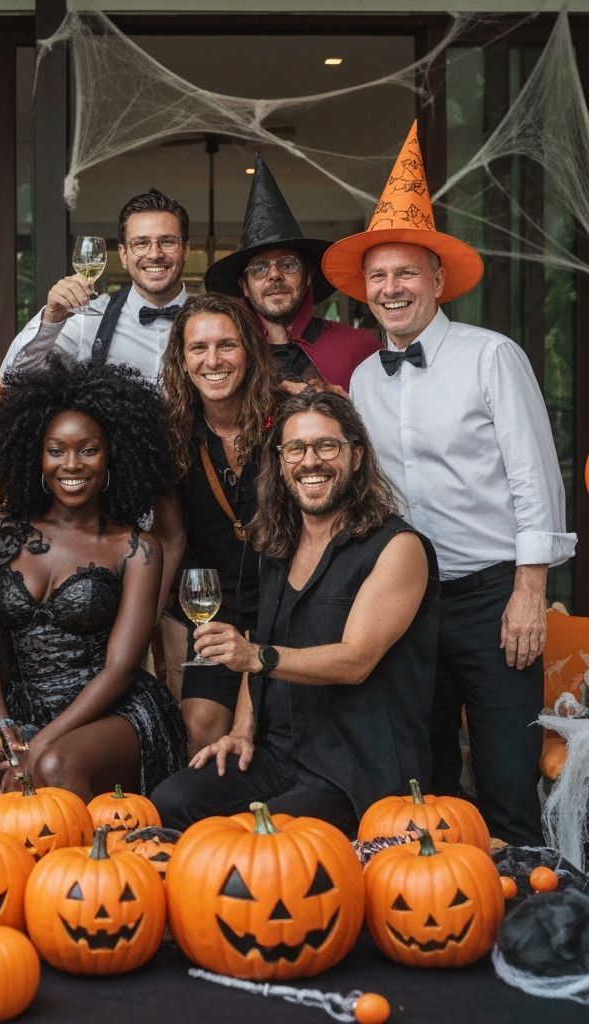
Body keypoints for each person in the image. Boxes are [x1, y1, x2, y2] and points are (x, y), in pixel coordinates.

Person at [323, 122, 576, 845]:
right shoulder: (365, 378)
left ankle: (531, 923)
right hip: (406, 602)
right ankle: (435, 904)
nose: (392, 288)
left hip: (493, 595)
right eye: (379, 276)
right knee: (420, 775)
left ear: (437, 280)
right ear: (364, 290)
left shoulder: (491, 357)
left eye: (406, 273)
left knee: (505, 775)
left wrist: (530, 591)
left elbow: (536, 478)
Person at [152, 389, 438, 835]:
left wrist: (257, 657)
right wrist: (243, 729)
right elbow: (256, 637)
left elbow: (356, 659)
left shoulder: (398, 547)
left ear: (356, 456)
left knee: (265, 842)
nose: (311, 461)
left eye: (327, 446)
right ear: (281, 461)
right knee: (171, 802)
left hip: (354, 769)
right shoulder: (278, 545)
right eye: (296, 449)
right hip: (278, 753)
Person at [0, 357, 185, 806]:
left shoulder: (136, 548)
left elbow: (121, 668)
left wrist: (41, 744)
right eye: (56, 449)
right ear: (35, 454)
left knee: (52, 767)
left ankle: (87, 875)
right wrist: (4, 729)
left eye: (89, 449)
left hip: (113, 713)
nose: (72, 464)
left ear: (112, 455)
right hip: (21, 715)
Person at [158, 293, 284, 752]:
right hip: (211, 607)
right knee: (200, 728)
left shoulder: (287, 421)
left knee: (280, 730)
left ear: (249, 352)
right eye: (198, 348)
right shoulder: (171, 432)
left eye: (226, 345)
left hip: (287, 598)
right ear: (182, 359)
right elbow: (170, 538)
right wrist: (142, 628)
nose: (213, 360)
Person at [204, 155, 379, 392]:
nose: (274, 275)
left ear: (308, 276)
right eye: (259, 268)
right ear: (244, 285)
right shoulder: (224, 357)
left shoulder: (358, 349)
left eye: (288, 264)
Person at [0, 189, 191, 381]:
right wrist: (51, 319)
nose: (154, 254)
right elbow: (12, 378)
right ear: (124, 255)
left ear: (186, 251)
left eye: (167, 242)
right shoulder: (89, 319)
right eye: (141, 243)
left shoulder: (211, 318)